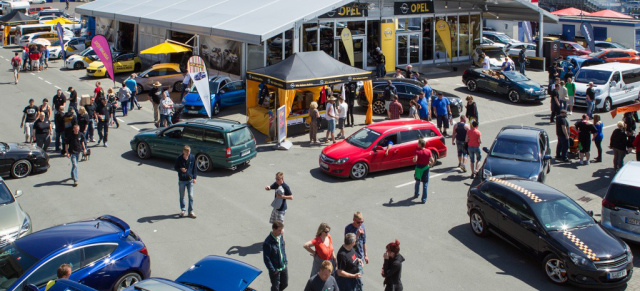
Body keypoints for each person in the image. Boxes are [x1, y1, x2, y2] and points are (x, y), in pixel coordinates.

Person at [263, 221, 288, 291]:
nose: (281, 232)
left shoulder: (280, 236)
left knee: (285, 284)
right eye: (279, 230)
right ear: (274, 229)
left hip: (283, 266)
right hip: (275, 269)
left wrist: (285, 261)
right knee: (275, 288)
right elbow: (266, 259)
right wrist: (273, 270)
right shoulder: (268, 243)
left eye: (281, 230)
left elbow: (282, 249)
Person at [174, 145, 197, 218]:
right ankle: (183, 209)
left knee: (191, 196)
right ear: (183, 151)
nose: (188, 153)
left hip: (190, 180)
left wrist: (194, 178)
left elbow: (194, 168)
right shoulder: (179, 158)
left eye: (189, 152)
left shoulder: (192, 157)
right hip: (182, 180)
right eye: (187, 152)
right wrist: (180, 170)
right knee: (182, 196)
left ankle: (190, 211)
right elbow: (175, 167)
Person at [413, 138, 435, 203]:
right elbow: (432, 160)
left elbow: (415, 160)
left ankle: (416, 194)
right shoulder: (428, 151)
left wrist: (413, 159)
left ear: (420, 144)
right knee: (425, 184)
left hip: (418, 169)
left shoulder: (417, 151)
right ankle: (424, 199)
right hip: (425, 169)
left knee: (417, 182)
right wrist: (430, 163)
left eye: (418, 143)